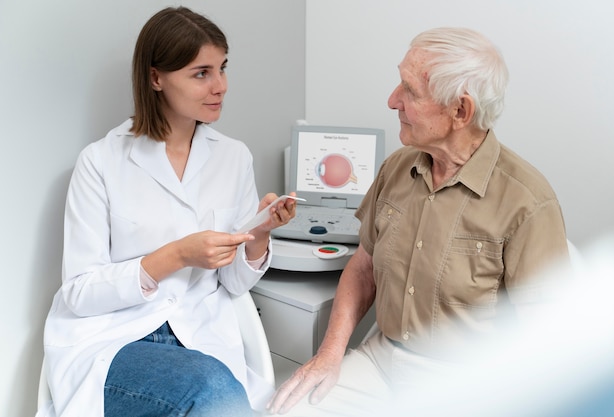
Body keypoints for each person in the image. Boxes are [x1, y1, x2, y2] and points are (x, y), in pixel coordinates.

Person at [267, 27, 570, 416]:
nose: (393, 100)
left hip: (466, 383)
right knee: (284, 409)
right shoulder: (396, 167)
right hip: (383, 358)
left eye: (410, 90)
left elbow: (546, 341)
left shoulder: (527, 203)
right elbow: (363, 268)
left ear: (460, 111)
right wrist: (329, 355)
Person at [37, 6, 298, 417]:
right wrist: (176, 255)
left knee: (214, 387)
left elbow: (232, 284)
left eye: (222, 69)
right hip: (118, 341)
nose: (221, 86)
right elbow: (79, 292)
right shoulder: (100, 162)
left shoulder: (233, 157)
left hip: (202, 337)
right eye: (201, 73)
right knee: (209, 389)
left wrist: (260, 233)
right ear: (156, 78)